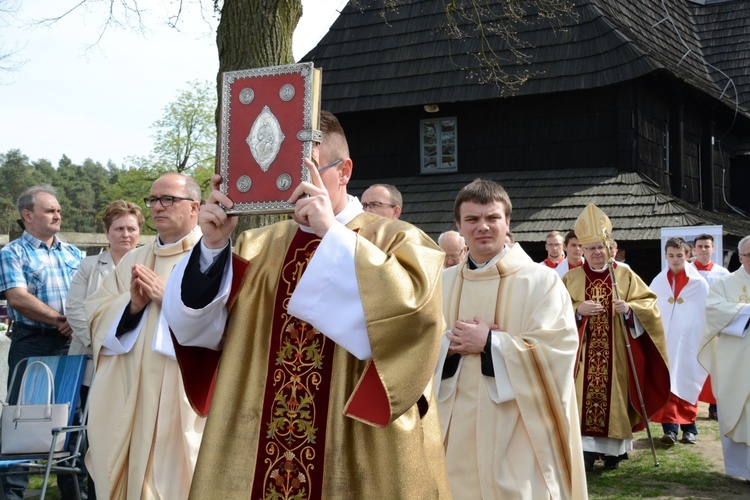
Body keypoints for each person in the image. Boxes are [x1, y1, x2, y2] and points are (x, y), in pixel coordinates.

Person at [161, 111, 450, 498]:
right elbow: (196, 330)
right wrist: (213, 247)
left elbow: (415, 321)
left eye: (306, 169)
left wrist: (331, 234)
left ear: (344, 170)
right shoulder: (256, 246)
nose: (293, 185)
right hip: (257, 439)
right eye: (284, 172)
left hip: (352, 445)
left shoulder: (399, 240)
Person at [434, 179, 587, 498]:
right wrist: (448, 345)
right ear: (459, 226)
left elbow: (558, 351)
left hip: (516, 427)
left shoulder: (540, 282)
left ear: (508, 222)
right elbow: (419, 348)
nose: (483, 227)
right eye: (472, 220)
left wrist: (490, 343)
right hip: (454, 426)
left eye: (492, 218)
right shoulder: (442, 284)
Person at [83, 174, 204, 499]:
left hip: (181, 394)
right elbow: (94, 313)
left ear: (194, 207)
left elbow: (227, 325)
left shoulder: (213, 258)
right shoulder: (134, 260)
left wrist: (171, 300)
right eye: (153, 200)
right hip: (130, 392)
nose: (157, 207)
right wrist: (131, 306)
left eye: (168, 199)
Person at [0, 184, 83, 500]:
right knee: (23, 420)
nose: (57, 214)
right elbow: (18, 298)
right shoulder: (12, 253)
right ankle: (13, 494)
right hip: (33, 343)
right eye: (50, 210)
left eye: (58, 210)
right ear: (27, 215)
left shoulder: (73, 253)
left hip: (72, 345)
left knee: (73, 417)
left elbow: (87, 293)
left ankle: (74, 491)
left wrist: (76, 323)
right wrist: (61, 320)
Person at [562, 230, 669, 471]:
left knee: (616, 398)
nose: (597, 253)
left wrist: (630, 309)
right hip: (584, 354)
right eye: (590, 249)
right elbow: (555, 310)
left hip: (618, 352)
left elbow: (648, 304)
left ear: (610, 248)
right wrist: (578, 310)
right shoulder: (572, 277)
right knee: (581, 401)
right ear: (583, 251)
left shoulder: (625, 274)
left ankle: (614, 453)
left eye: (601, 247)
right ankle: (586, 454)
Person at [698, 235, 750, 482]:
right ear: (740, 257)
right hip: (736, 360)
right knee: (738, 409)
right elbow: (712, 310)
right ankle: (743, 469)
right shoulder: (726, 283)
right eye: (749, 255)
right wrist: (746, 311)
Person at [648, 237, 709, 445]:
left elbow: (705, 312)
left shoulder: (699, 284)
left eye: (679, 256)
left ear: (687, 255)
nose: (675, 260)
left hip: (690, 341)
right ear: (665, 256)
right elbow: (651, 309)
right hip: (665, 340)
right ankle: (670, 429)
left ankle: (690, 428)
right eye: (671, 256)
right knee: (667, 382)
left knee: (688, 379)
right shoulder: (658, 282)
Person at [692, 233, 729, 420]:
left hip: (714, 326)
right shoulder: (687, 271)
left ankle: (715, 406)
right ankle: (690, 404)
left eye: (707, 246)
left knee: (715, 366)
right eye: (700, 246)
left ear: (713, 249)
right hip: (693, 326)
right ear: (694, 250)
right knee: (692, 364)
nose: (703, 250)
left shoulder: (723, 274)